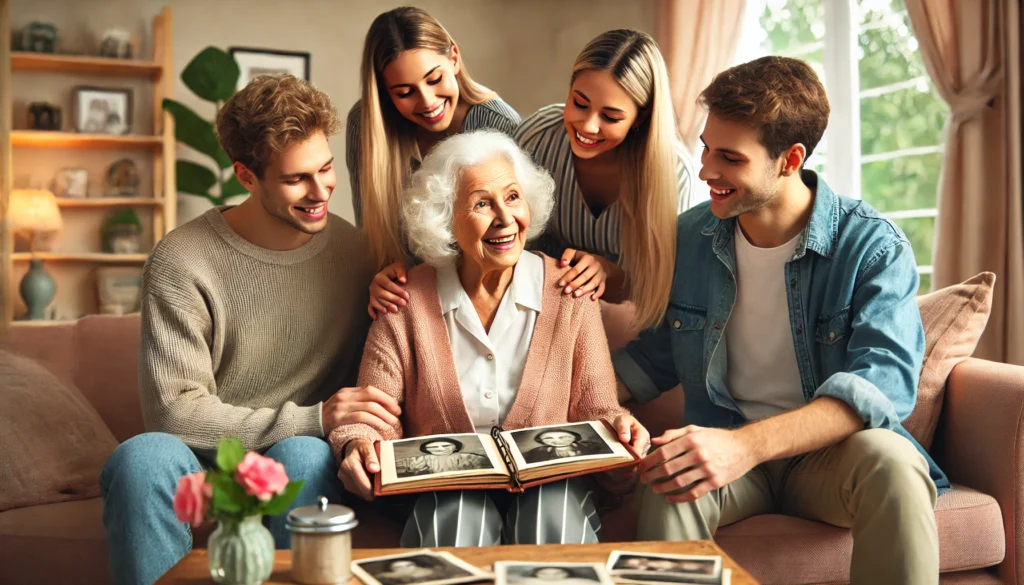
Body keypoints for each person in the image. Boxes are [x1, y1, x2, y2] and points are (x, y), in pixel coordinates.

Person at [613, 57, 946, 585]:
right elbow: (654, 357)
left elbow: (882, 386)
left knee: (894, 462)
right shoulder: (689, 239)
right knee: (667, 474)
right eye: (705, 148)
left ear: (790, 159)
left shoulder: (872, 247)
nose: (705, 171)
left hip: (827, 460)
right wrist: (585, 407)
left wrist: (742, 447)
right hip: (727, 451)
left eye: (729, 157)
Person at [99, 75, 378, 585]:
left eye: (327, 168)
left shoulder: (357, 254)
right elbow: (173, 410)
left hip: (298, 453)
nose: (321, 193)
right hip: (199, 456)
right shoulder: (182, 259)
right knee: (141, 459)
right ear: (247, 176)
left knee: (304, 456)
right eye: (297, 180)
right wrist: (313, 417)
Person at [332, 130, 649, 547]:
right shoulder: (405, 300)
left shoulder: (570, 293)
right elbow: (374, 413)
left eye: (513, 197)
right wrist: (360, 445)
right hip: (445, 489)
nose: (505, 218)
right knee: (459, 511)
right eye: (482, 203)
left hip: (551, 487)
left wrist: (620, 430)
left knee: (548, 510)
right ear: (445, 217)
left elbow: (597, 407)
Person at [515, 29, 698, 331]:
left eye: (611, 117)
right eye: (580, 103)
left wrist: (609, 274)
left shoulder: (674, 172)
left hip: (627, 323)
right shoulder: (537, 138)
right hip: (535, 306)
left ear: (641, 118)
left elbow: (660, 292)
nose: (588, 126)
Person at [347, 6, 521, 319]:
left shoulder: (499, 124)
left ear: (453, 58)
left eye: (434, 79)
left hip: (485, 306)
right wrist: (382, 279)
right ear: (385, 94)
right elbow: (371, 233)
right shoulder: (365, 126)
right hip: (401, 302)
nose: (427, 102)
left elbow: (515, 240)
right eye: (404, 92)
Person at [395, 437, 491, 476]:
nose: (440, 449)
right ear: (427, 450)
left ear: (454, 448)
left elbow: (483, 464)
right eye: (434, 447)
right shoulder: (427, 458)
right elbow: (408, 463)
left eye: (445, 446)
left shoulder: (466, 456)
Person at [521, 429, 608, 464]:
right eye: (548, 438)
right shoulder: (536, 452)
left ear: (575, 438)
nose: (557, 441)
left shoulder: (592, 447)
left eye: (564, 437)